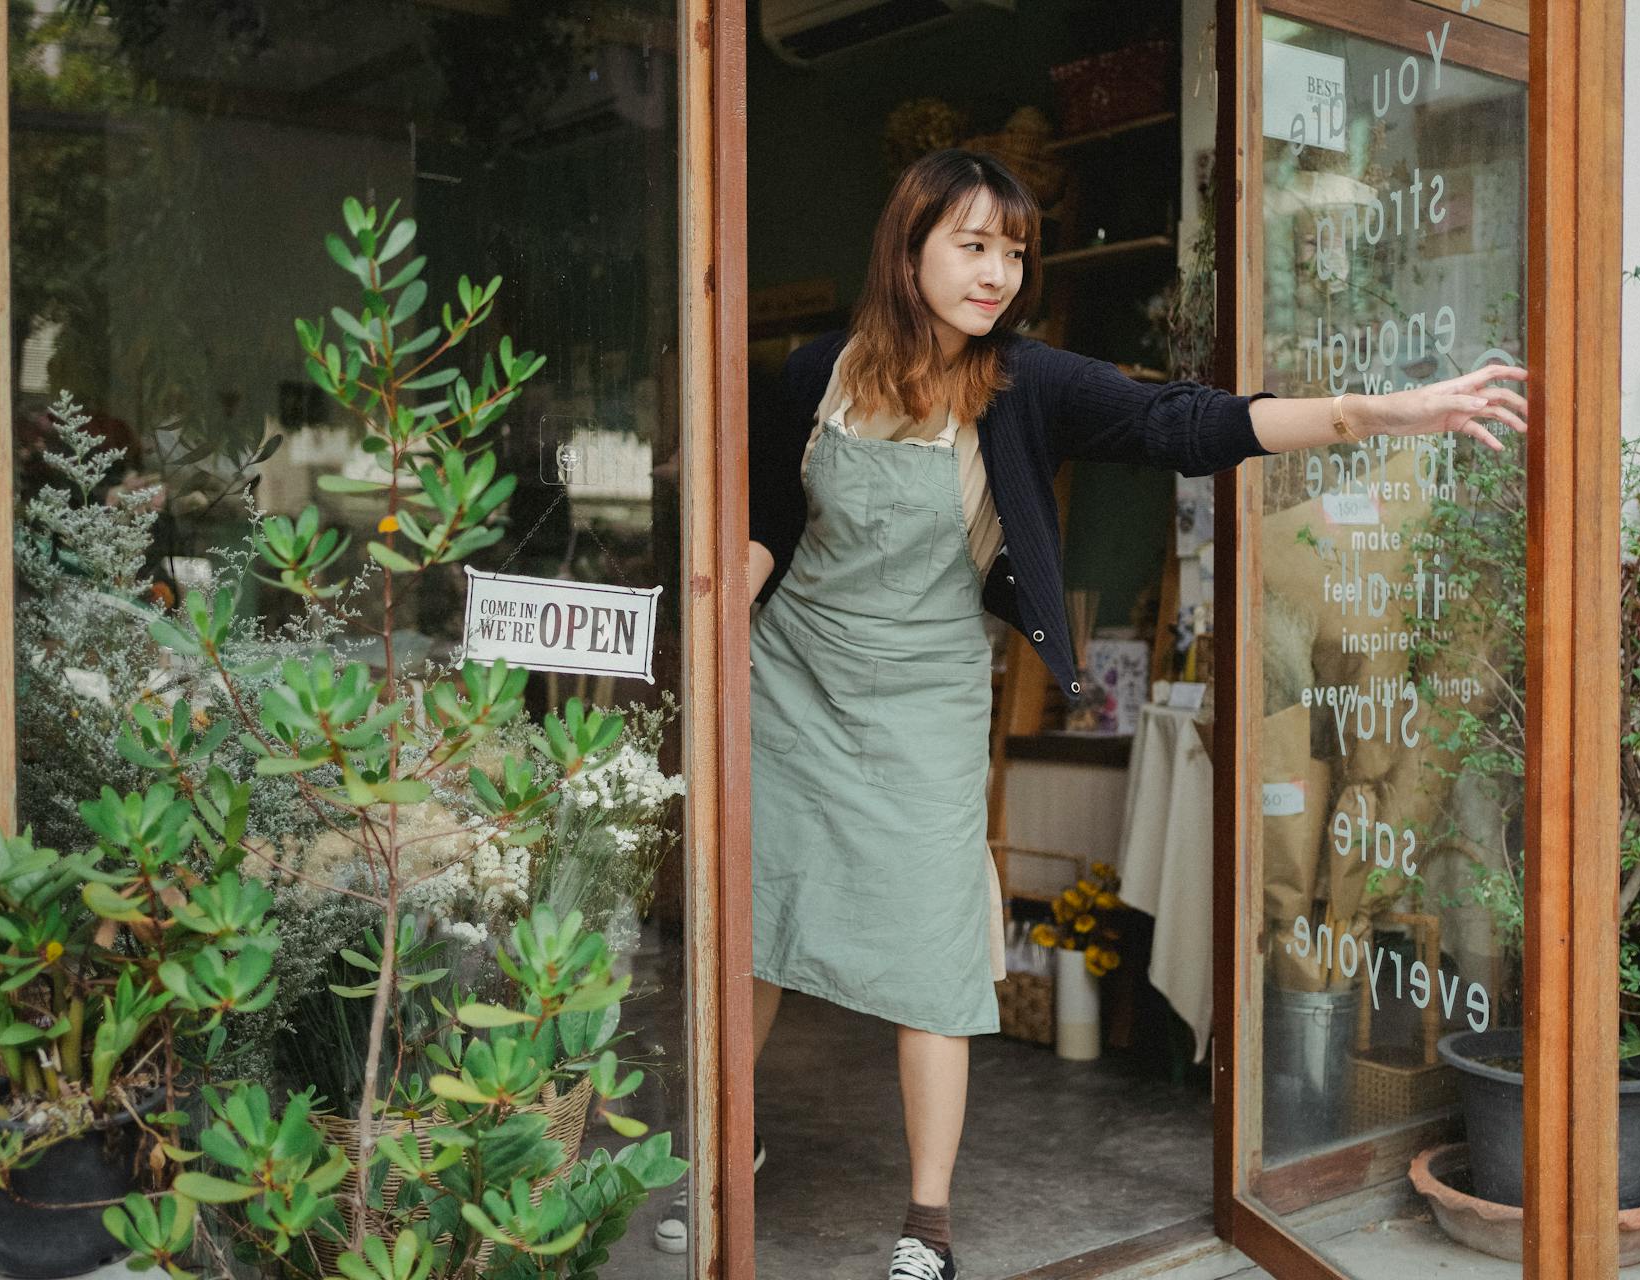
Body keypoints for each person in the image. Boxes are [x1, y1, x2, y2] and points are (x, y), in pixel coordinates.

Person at [654, 149, 1527, 1277]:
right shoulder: (815, 372)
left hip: (923, 695)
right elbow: (773, 513)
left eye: (1014, 252)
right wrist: (717, 616)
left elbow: (1188, 422)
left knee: (932, 950)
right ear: (907, 244)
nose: (997, 274)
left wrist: (1386, 409)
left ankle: (928, 1226)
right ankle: (724, 1150)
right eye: (973, 245)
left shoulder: (1024, 383)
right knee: (755, 924)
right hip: (790, 681)